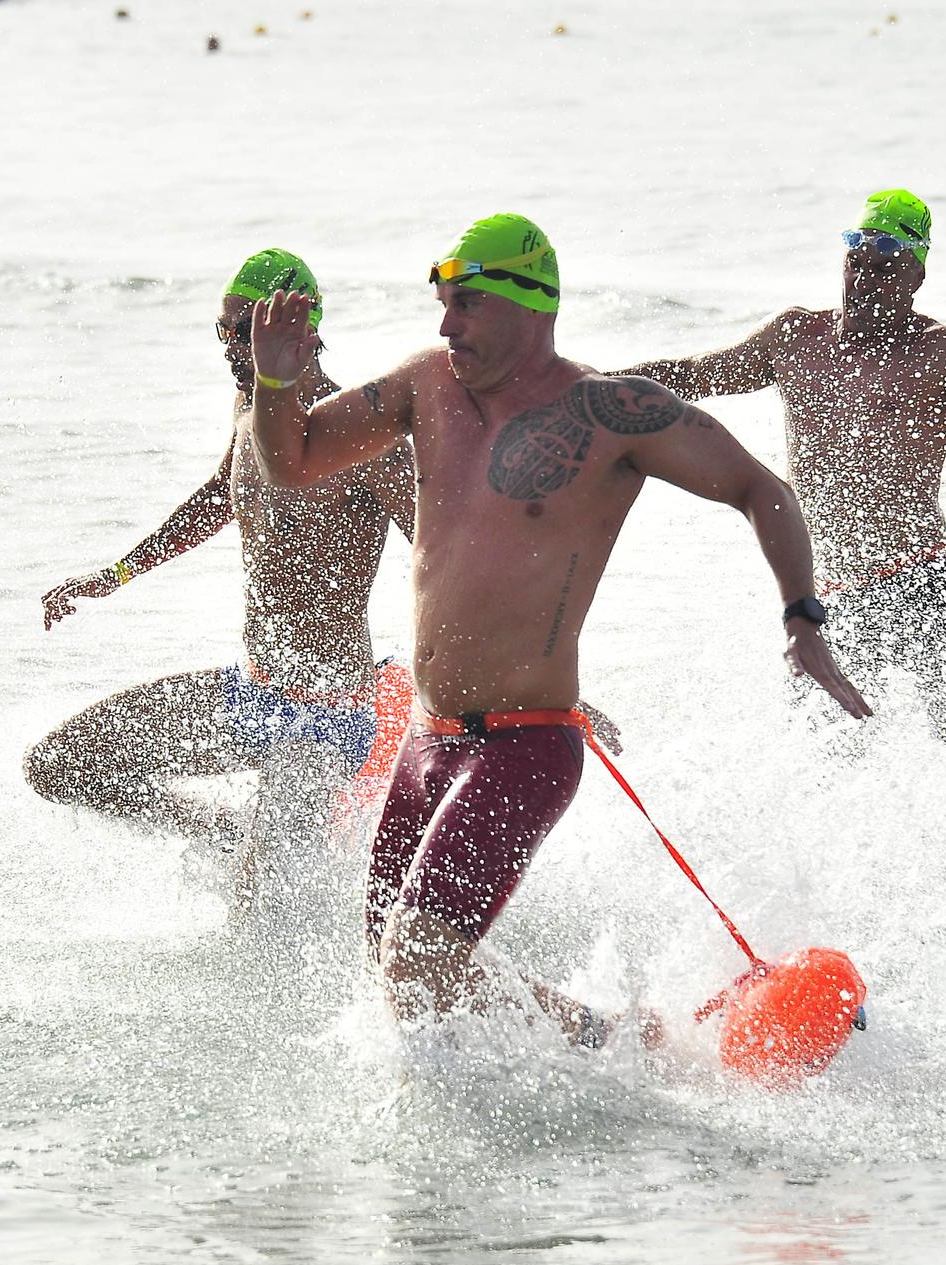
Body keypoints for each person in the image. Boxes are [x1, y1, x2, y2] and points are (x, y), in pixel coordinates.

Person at [246, 213, 870, 1049]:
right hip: (426, 744)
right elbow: (293, 460)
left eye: (465, 304)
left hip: (524, 746)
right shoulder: (424, 388)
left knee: (417, 962)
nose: (445, 324)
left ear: (530, 302)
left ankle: (607, 1045)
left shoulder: (614, 413)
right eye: (442, 303)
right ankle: (580, 1053)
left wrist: (803, 621)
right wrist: (275, 386)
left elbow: (765, 491)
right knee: (392, 973)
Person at [619, 189, 946, 777]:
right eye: (857, 261)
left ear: (916, 275)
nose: (866, 278)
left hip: (918, 581)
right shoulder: (795, 339)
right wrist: (594, 385)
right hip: (826, 593)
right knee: (826, 756)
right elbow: (695, 376)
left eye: (886, 266)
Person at [26, 249, 415, 911]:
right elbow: (218, 496)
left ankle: (286, 868)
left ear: (302, 331)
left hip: (325, 719)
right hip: (248, 696)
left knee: (254, 923)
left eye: (242, 332)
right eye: (224, 331)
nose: (230, 347)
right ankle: (235, 835)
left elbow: (446, 557)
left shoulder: (363, 434)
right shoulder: (249, 404)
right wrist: (114, 574)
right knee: (60, 765)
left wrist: (523, 687)